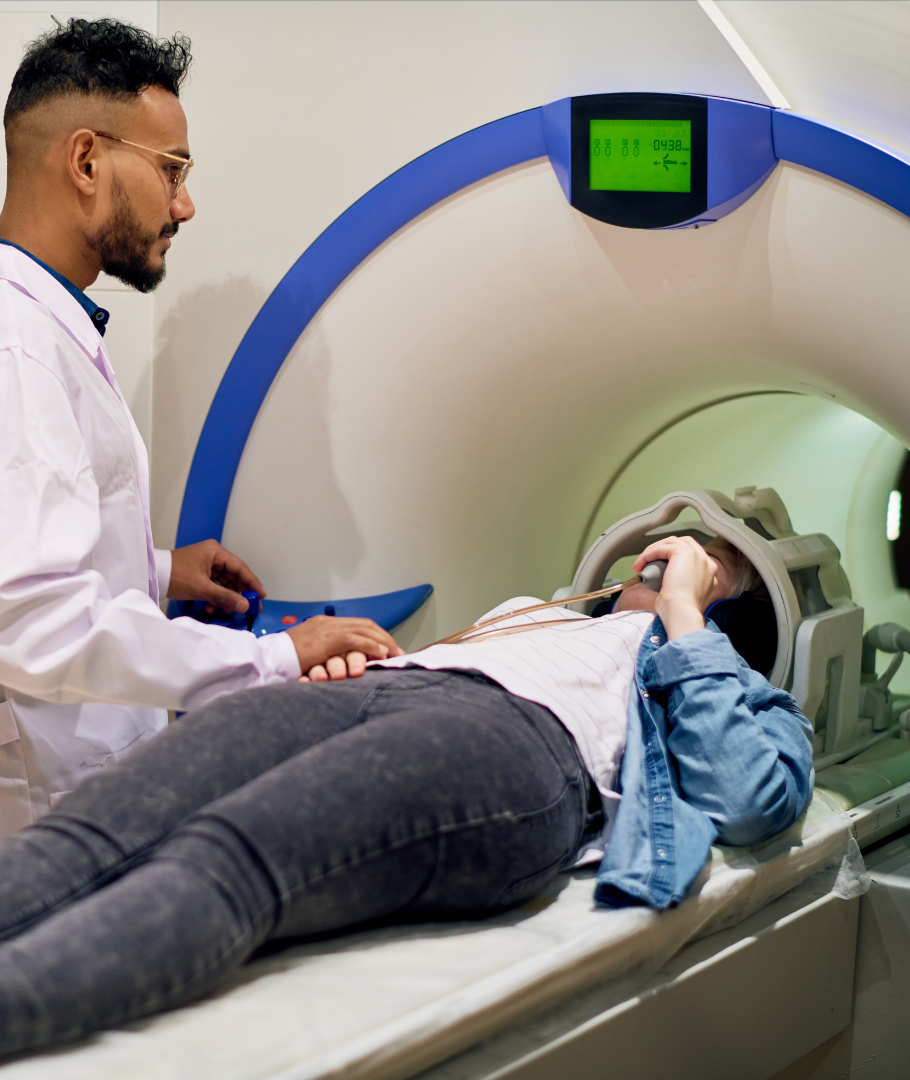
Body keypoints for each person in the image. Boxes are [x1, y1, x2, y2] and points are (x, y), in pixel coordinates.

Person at [0, 534, 813, 1057]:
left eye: (704, 559)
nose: (670, 552)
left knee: (228, 852)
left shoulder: (727, 677)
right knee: (101, 824)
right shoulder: (538, 612)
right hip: (398, 688)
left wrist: (683, 618)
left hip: (517, 744)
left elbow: (749, 796)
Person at [0, 18, 398, 834]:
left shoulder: (46, 327)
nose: (185, 203)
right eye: (172, 169)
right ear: (85, 160)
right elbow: (30, 621)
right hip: (45, 810)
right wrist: (276, 657)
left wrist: (157, 572)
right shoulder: (18, 346)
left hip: (87, 782)